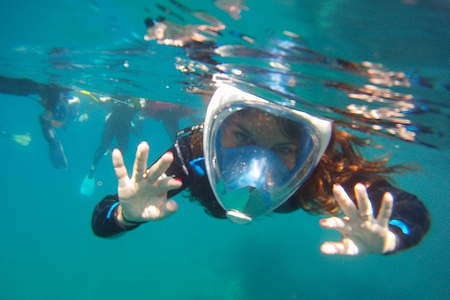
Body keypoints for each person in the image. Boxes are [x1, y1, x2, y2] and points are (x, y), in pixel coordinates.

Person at [92, 84, 430, 256]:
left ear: (307, 152)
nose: (256, 166)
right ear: (214, 130)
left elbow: (407, 210)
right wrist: (127, 214)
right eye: (241, 136)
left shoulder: (316, 170)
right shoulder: (192, 158)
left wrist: (387, 237)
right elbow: (103, 222)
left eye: (282, 149)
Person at [0, 76, 79, 169]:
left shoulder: (57, 104)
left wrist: (53, 142)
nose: (42, 102)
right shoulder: (58, 102)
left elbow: (47, 121)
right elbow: (54, 92)